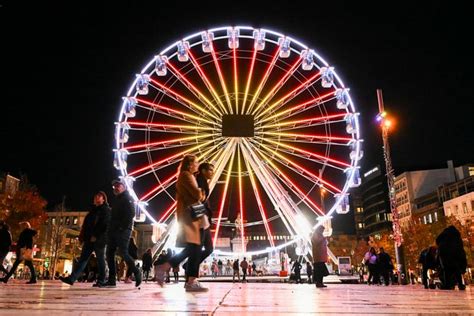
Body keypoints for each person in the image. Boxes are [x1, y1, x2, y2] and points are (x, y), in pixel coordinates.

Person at [155, 155, 208, 292]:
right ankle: (168, 269)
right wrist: (202, 192)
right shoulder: (186, 176)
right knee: (195, 247)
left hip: (192, 213)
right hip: (190, 214)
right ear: (189, 164)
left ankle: (188, 278)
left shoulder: (187, 176)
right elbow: (197, 195)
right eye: (196, 162)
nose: (198, 165)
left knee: (194, 247)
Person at [59, 191, 110, 287]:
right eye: (96, 196)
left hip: (99, 239)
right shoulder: (92, 211)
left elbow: (104, 225)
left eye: (100, 196)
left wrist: (95, 235)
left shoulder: (106, 210)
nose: (97, 197)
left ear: (104, 199)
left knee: (100, 259)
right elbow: (86, 226)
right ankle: (72, 278)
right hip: (89, 239)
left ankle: (102, 280)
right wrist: (83, 237)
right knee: (83, 259)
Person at [102, 178, 142, 288]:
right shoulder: (117, 199)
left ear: (124, 186)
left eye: (118, 185)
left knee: (123, 252)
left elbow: (131, 214)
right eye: (114, 186)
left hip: (123, 230)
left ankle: (136, 271)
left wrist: (122, 227)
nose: (116, 187)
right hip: (113, 231)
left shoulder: (127, 198)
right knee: (109, 254)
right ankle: (111, 279)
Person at [195, 163, 215, 269]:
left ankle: (188, 266)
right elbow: (197, 200)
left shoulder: (204, 182)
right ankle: (171, 263)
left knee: (208, 248)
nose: (213, 172)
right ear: (203, 171)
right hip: (201, 217)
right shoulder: (199, 181)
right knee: (197, 247)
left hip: (204, 216)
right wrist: (200, 217)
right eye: (210, 170)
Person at [436, 225, 467, 290]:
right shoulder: (457, 235)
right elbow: (460, 246)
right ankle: (460, 285)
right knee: (456, 269)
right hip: (455, 253)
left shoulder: (444, 233)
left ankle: (447, 285)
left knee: (446, 270)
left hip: (444, 253)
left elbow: (437, 240)